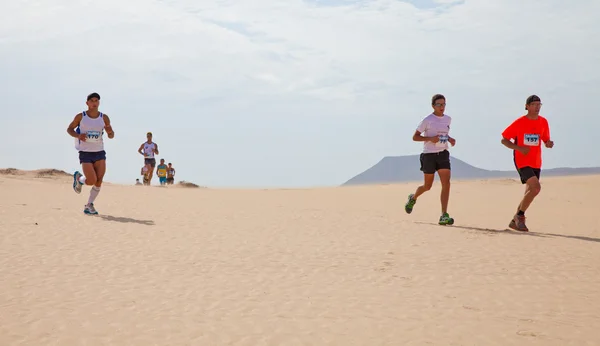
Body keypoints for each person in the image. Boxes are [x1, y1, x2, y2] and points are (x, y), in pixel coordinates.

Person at [500, 95, 554, 232]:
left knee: (530, 191)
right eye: (534, 104)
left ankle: (514, 221)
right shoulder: (519, 122)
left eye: (539, 105)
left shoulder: (543, 122)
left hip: (536, 161)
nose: (537, 107)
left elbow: (545, 139)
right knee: (536, 188)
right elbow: (504, 140)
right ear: (527, 106)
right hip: (522, 160)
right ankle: (520, 216)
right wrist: (519, 148)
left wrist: (548, 143)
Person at [404, 94, 456, 225]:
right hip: (429, 155)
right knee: (428, 186)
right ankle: (413, 197)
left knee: (446, 183)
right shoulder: (427, 120)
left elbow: (444, 133)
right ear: (433, 106)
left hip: (443, 153)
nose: (442, 107)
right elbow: (415, 137)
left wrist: (450, 139)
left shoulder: (448, 119)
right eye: (439, 104)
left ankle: (444, 215)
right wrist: (429, 139)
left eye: (444, 104)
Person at [66, 92, 115, 215]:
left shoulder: (104, 118)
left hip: (99, 152)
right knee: (91, 180)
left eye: (96, 101)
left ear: (99, 103)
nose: (94, 103)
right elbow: (69, 129)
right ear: (87, 103)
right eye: (92, 101)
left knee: (99, 180)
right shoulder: (81, 116)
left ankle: (89, 205)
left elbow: (111, 135)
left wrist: (110, 132)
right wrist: (78, 135)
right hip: (86, 153)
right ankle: (80, 179)